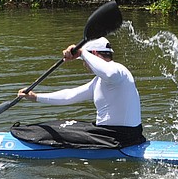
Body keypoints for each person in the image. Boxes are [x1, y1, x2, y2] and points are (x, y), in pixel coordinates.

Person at [11, 37, 146, 149]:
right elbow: (69, 96)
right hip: (108, 134)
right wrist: (36, 97)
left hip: (118, 138)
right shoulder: (98, 81)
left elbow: (109, 73)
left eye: (85, 61)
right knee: (58, 124)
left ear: (94, 54)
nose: (84, 64)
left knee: (51, 132)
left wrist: (82, 53)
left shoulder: (118, 71)